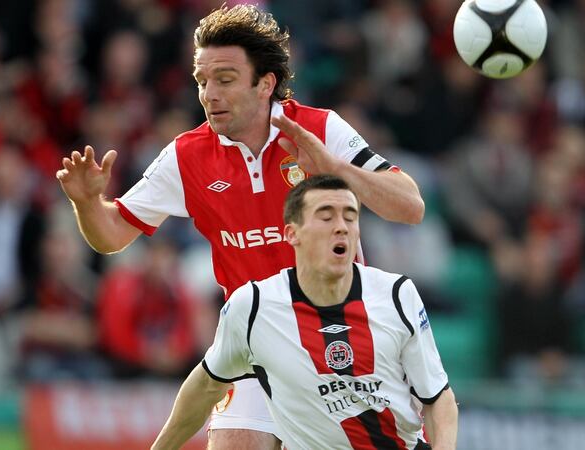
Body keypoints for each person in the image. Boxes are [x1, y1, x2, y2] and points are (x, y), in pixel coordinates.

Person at [55, 5, 425, 449]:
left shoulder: (319, 129)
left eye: (225, 80)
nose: (210, 94)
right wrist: (87, 202)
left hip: (342, 339)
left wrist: (334, 168)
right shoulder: (186, 155)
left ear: (265, 84)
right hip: (255, 343)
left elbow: (410, 206)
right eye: (202, 81)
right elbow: (111, 236)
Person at [151, 175, 457, 450]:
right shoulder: (254, 306)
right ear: (292, 234)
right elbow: (206, 385)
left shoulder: (396, 294)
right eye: (326, 217)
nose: (341, 226)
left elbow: (437, 398)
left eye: (350, 217)